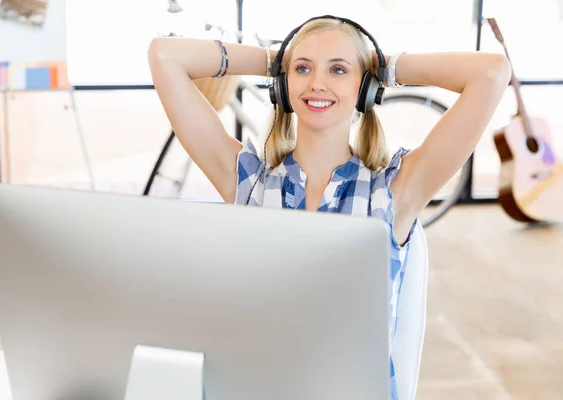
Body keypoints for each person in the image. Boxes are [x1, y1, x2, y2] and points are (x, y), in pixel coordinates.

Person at [147, 15, 511, 399]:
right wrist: (276, 62)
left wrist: (383, 68)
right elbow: (165, 56)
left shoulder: (391, 192)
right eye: (304, 69)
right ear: (284, 85)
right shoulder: (249, 183)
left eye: (338, 70)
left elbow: (492, 72)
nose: (317, 83)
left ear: (366, 87)